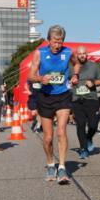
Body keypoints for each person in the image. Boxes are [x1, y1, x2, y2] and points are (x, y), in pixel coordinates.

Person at [27, 24, 79, 184]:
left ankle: (62, 167)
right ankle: (51, 163)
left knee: (61, 132)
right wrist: (40, 79)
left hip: (62, 96)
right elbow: (30, 75)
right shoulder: (40, 53)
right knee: (48, 138)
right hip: (45, 97)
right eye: (55, 42)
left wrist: (75, 75)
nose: (58, 45)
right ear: (48, 40)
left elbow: (76, 63)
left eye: (60, 42)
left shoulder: (68, 52)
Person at [71, 46, 100, 160]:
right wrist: (71, 82)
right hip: (77, 99)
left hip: (92, 99)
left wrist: (93, 82)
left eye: (84, 53)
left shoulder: (93, 66)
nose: (82, 55)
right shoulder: (71, 67)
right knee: (80, 125)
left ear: (87, 54)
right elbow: (66, 82)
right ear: (76, 55)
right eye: (79, 53)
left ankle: (89, 138)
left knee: (93, 125)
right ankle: (83, 149)